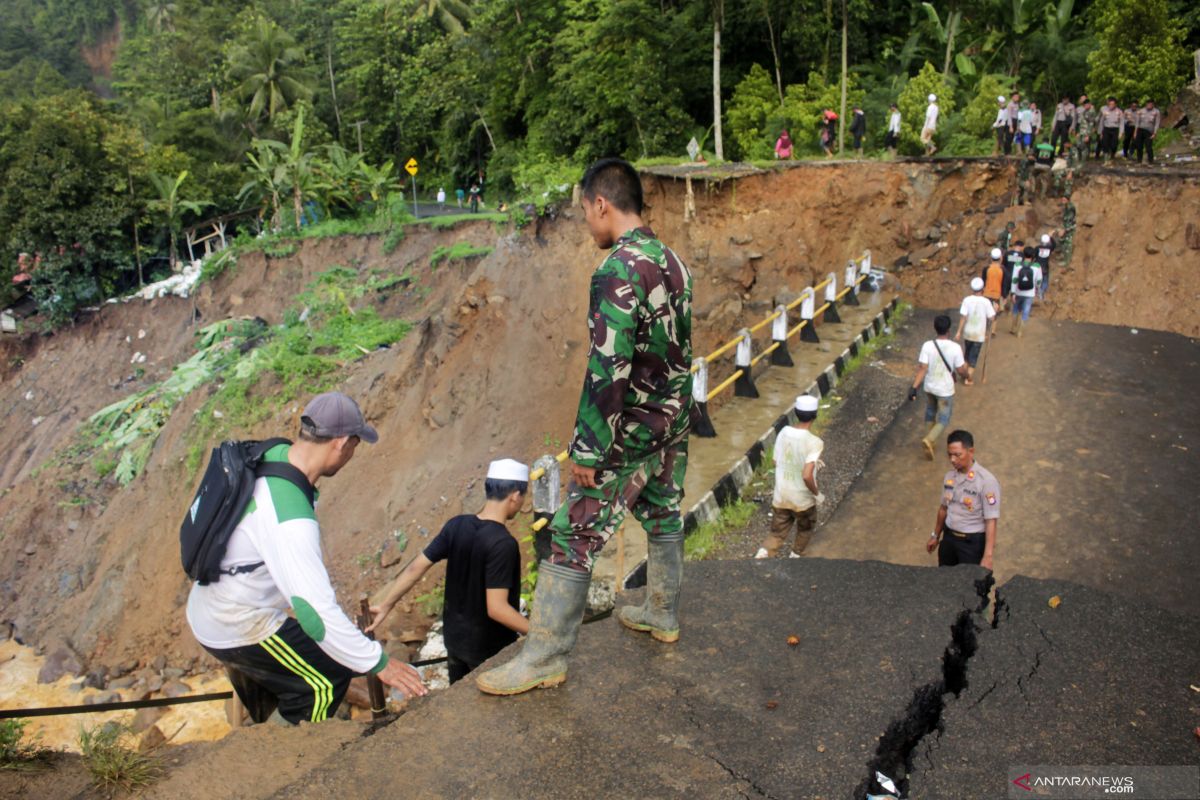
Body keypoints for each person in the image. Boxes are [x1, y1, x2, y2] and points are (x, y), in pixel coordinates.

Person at [476, 157, 694, 696]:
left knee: (572, 534)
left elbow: (608, 366)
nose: (586, 225)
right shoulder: (672, 261)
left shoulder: (618, 269)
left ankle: (545, 656)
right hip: (672, 417)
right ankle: (662, 613)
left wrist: (589, 451)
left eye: (584, 214)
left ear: (602, 204)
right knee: (663, 507)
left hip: (630, 428)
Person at [185, 393, 427, 725]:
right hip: (234, 621)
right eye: (355, 446)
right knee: (325, 681)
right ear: (341, 444)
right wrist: (380, 664)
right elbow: (314, 616)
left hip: (213, 604)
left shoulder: (272, 454)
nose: (352, 455)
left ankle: (267, 735)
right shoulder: (290, 518)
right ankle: (294, 764)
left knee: (293, 681)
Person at [368, 460, 530, 684]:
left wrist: (386, 604)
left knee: (460, 700)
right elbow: (497, 608)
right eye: (523, 496)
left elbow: (417, 567)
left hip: (454, 641)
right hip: (489, 650)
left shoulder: (456, 525)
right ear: (515, 495)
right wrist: (538, 632)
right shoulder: (503, 544)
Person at [755, 396, 824, 559]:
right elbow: (807, 475)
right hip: (802, 500)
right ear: (814, 416)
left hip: (781, 496)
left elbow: (775, 461)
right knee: (805, 529)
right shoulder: (815, 442)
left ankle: (762, 555)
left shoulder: (784, 432)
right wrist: (817, 494)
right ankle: (795, 557)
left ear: (796, 413)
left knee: (777, 533)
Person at [926, 430, 1000, 570]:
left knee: (970, 586)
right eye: (950, 455)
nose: (952, 459)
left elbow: (991, 520)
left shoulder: (986, 482)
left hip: (971, 544)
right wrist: (935, 535)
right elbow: (943, 508)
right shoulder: (949, 477)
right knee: (944, 580)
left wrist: (988, 556)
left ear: (971, 451)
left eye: (957, 455)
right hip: (949, 539)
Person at [908, 315, 967, 460]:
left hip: (929, 387)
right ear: (949, 329)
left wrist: (914, 387)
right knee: (944, 418)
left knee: (930, 412)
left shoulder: (927, 345)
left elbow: (922, 368)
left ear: (935, 328)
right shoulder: (955, 348)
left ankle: (930, 444)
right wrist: (966, 375)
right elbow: (960, 370)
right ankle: (930, 439)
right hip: (945, 390)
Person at [954, 277, 995, 385]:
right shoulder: (986, 302)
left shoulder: (967, 300)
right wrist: (995, 310)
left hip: (967, 333)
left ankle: (964, 375)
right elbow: (991, 318)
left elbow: (963, 317)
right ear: (983, 289)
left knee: (967, 355)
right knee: (973, 358)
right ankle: (969, 379)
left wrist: (958, 332)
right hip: (979, 334)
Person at [1009, 245, 1042, 336]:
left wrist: (1013, 293)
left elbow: (1014, 279)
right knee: (1026, 312)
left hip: (1018, 291)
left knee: (1016, 309)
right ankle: (1020, 332)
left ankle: (1013, 328)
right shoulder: (1037, 266)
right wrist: (1037, 289)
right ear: (1033, 256)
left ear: (1024, 254)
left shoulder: (1017, 265)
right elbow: (1039, 280)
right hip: (1029, 293)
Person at [1133, 99, 1160, 164]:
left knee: (1148, 146)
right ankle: (1139, 160)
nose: (1149, 106)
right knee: (1139, 146)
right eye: (1148, 104)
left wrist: (1155, 133)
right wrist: (1135, 132)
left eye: (1151, 104)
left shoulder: (1156, 112)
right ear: (1146, 104)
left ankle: (1151, 161)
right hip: (1140, 129)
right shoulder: (1141, 111)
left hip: (1149, 131)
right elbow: (1137, 122)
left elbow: (1157, 123)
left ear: (1153, 105)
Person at [981, 247, 1006, 315]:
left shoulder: (986, 269)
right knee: (994, 316)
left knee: (985, 314)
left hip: (986, 294)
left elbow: (983, 282)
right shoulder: (1003, 270)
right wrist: (1004, 296)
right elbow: (1004, 284)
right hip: (997, 296)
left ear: (991, 257)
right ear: (1000, 258)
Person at [1098, 97, 1122, 162]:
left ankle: (1112, 154)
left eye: (1113, 104)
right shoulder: (1105, 111)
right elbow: (1101, 122)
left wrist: (1121, 133)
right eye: (1110, 104)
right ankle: (1106, 158)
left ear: (1115, 104)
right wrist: (1100, 132)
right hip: (1106, 129)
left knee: (1114, 144)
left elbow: (1121, 123)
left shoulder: (1119, 111)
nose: (1111, 105)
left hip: (1115, 129)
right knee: (1105, 143)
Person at [1073, 96, 1096, 166]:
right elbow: (1082, 123)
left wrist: (1088, 135)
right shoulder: (1085, 111)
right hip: (1081, 132)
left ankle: (1085, 161)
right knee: (1079, 145)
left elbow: (1091, 124)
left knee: (1085, 147)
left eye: (1086, 105)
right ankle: (1080, 160)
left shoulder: (1091, 112)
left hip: (1086, 133)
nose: (1085, 106)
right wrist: (1078, 132)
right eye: (1084, 105)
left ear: (1089, 104)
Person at [1035, 233, 1055, 299]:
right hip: (1045, 267)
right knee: (1045, 280)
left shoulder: (1037, 248)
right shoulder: (1049, 248)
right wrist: (1051, 237)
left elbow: (1033, 255)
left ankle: (1036, 291)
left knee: (1036, 279)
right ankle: (1042, 291)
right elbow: (1054, 245)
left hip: (1037, 266)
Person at [1059, 195, 1076, 268]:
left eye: (1064, 199)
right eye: (1062, 199)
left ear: (1068, 200)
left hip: (1070, 229)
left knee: (1068, 245)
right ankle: (1064, 256)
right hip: (1066, 228)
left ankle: (1067, 262)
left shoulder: (1070, 208)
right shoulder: (1066, 207)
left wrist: (1064, 230)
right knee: (1062, 242)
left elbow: (1070, 221)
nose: (1062, 201)